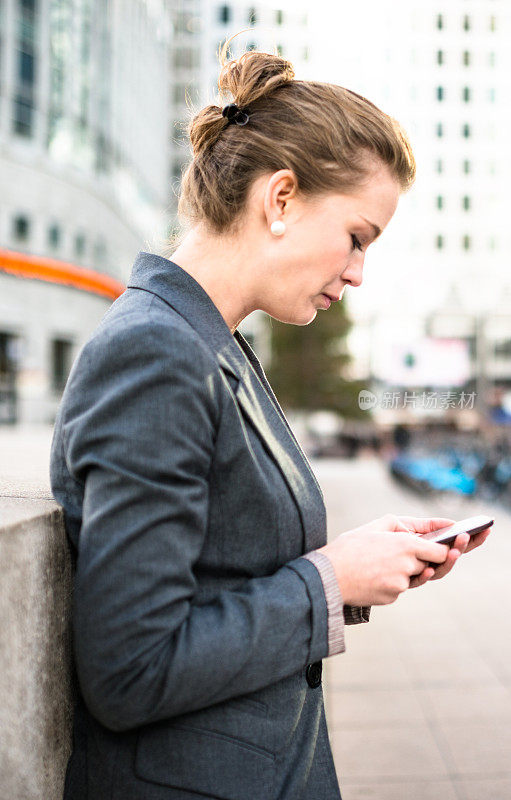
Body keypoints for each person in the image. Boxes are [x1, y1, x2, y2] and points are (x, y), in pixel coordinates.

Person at [50, 44, 492, 800]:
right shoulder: (155, 353)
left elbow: (226, 567)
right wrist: (330, 578)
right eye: (357, 237)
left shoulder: (212, 344)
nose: (357, 272)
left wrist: (357, 566)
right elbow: (129, 670)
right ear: (280, 198)